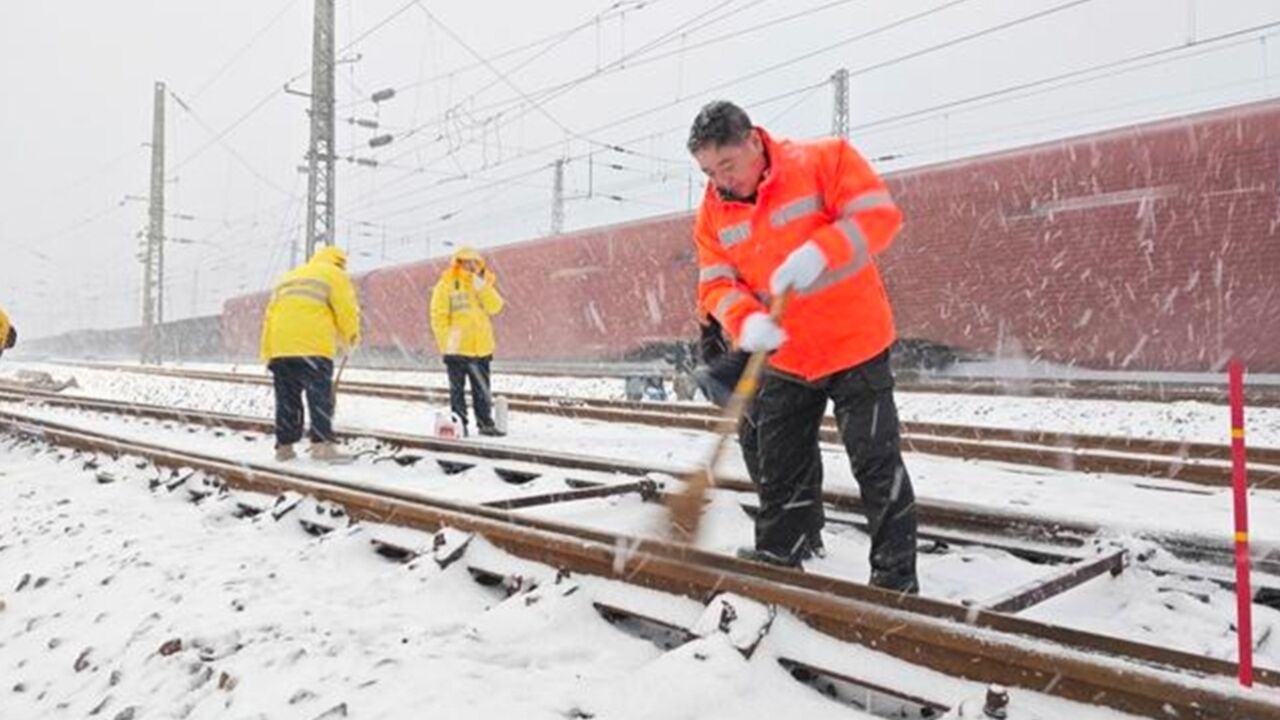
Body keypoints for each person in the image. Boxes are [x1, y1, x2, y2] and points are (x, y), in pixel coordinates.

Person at [686, 100, 918, 593]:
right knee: (779, 462)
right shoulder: (713, 209)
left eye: (727, 165)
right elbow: (715, 281)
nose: (721, 180)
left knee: (875, 463)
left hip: (855, 343)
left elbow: (878, 215)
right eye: (708, 171)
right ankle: (780, 553)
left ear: (753, 141)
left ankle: (895, 577)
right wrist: (745, 320)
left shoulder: (823, 161)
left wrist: (821, 251)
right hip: (787, 354)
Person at [692, 315, 825, 559]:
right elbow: (713, 335)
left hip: (784, 369)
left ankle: (803, 537)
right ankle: (797, 535)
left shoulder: (757, 285)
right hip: (757, 373)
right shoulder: (725, 292)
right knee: (770, 454)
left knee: (785, 457)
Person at [259, 246, 361, 463]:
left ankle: (284, 448)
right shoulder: (335, 274)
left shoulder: (288, 277)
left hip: (281, 347)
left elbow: (269, 317)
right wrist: (351, 337)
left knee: (287, 399)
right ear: (340, 263)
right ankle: (322, 447)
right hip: (312, 346)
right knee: (319, 398)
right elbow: (346, 309)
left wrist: (267, 352)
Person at [430, 247, 506, 437]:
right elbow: (439, 316)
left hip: (481, 347)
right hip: (456, 348)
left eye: (474, 262)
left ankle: (485, 423)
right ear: (458, 263)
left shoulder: (481, 284)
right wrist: (446, 343)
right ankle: (459, 424)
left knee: (482, 389)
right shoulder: (446, 285)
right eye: (466, 262)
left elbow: (496, 307)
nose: (471, 266)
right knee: (457, 391)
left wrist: (481, 286)